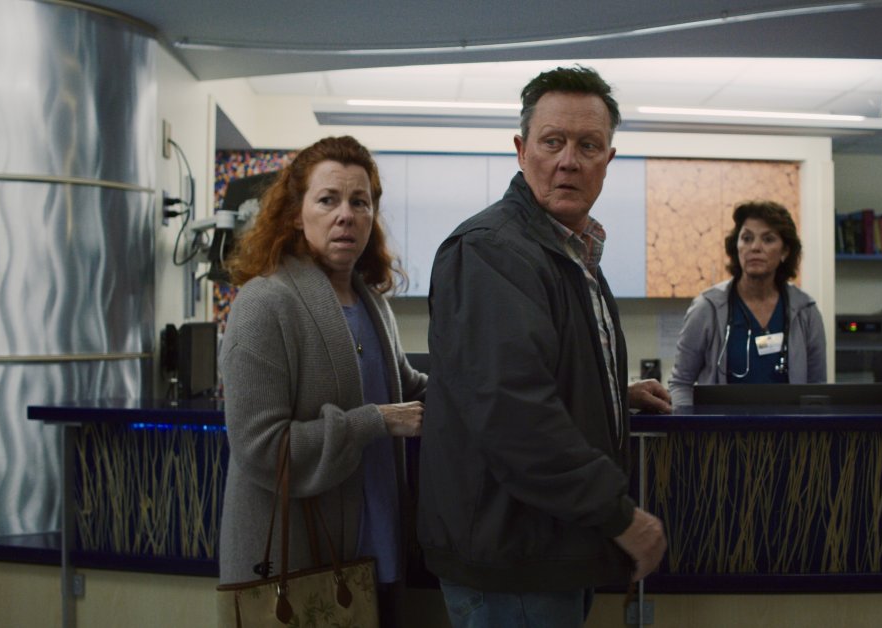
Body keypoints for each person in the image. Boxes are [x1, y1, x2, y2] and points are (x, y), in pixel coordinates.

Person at [420, 65, 672, 628]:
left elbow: (542, 366)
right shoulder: (492, 250)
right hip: (512, 557)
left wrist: (609, 391)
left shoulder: (569, 251)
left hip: (549, 545)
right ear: (521, 150)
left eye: (588, 146)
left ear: (609, 159)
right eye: (553, 142)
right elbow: (513, 411)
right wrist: (619, 515)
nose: (569, 161)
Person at [217, 135, 425, 627]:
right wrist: (373, 422)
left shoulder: (372, 302)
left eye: (360, 202)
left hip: (378, 552)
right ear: (296, 213)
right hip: (299, 566)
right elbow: (262, 448)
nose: (345, 215)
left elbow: (409, 389)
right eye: (328, 200)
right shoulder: (264, 303)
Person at [669, 201, 828, 410]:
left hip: (789, 429)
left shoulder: (805, 311)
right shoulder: (707, 308)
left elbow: (817, 389)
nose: (755, 247)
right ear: (736, 247)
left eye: (768, 239)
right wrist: (688, 423)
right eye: (747, 238)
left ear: (785, 251)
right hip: (721, 429)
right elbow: (681, 383)